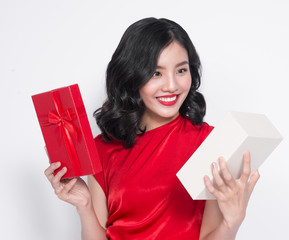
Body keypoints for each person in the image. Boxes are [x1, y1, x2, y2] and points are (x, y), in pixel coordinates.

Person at [44, 17, 260, 240]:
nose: (171, 85)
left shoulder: (213, 143)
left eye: (181, 70)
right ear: (131, 76)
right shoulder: (101, 149)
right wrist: (84, 205)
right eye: (156, 73)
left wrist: (231, 223)